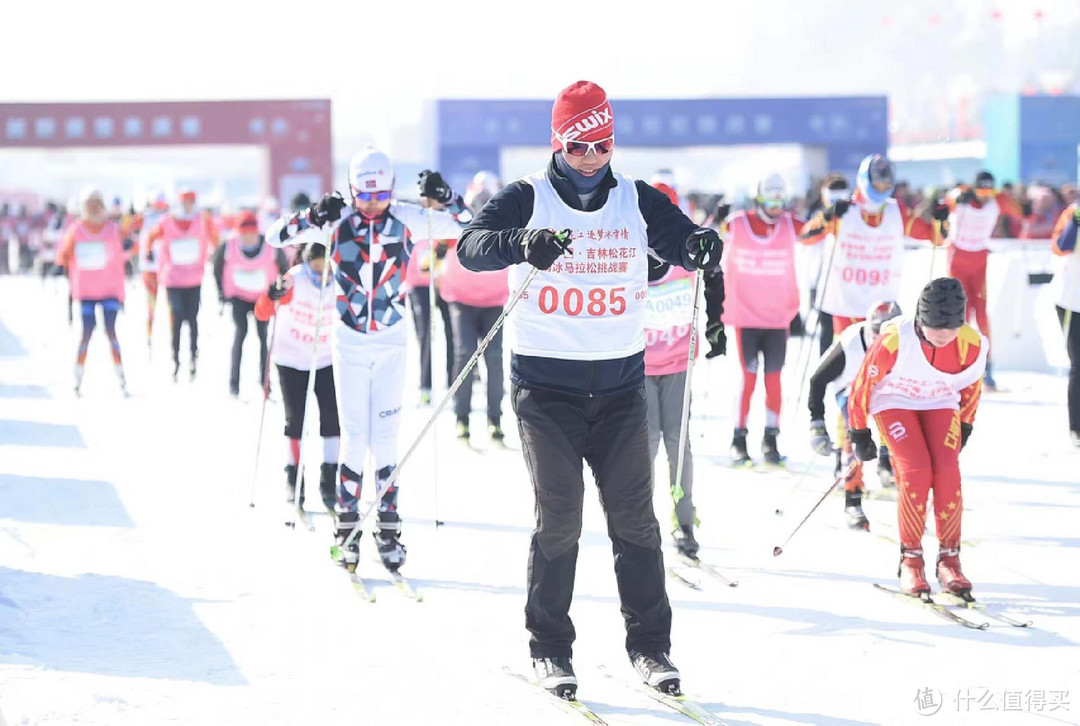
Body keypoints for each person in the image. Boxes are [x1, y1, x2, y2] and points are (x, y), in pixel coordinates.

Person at [458, 80, 723, 698]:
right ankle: (550, 650)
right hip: (546, 392)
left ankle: (651, 648)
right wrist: (520, 244)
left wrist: (697, 247)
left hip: (621, 390)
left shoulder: (635, 198)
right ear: (559, 142)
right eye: (579, 146)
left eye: (602, 144)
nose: (591, 159)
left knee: (635, 521)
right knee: (560, 520)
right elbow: (470, 248)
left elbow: (680, 239)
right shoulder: (528, 197)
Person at [267, 146, 468, 572]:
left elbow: (469, 228)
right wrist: (313, 215)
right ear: (353, 189)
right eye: (365, 196)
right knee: (355, 438)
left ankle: (389, 529)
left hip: (392, 342)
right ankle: (346, 529)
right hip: (350, 343)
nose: (373, 205)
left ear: (391, 190)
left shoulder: (408, 217)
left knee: (386, 440)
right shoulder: (337, 219)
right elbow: (275, 236)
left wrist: (448, 197)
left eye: (380, 196)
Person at [847, 278, 986, 596]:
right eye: (936, 329)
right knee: (916, 470)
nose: (944, 336)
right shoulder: (895, 339)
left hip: (939, 401)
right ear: (921, 321)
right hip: (895, 401)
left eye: (950, 329)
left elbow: (972, 385)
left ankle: (949, 559)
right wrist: (859, 431)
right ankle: (911, 559)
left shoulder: (970, 342)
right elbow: (862, 386)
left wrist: (965, 424)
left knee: (948, 472)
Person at [802, 155, 947, 336]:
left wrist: (941, 219)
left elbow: (936, 237)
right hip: (847, 304)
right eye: (878, 184)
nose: (882, 189)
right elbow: (806, 237)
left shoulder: (897, 212)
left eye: (886, 185)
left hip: (882, 308)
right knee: (850, 359)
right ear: (865, 179)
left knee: (879, 362)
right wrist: (826, 216)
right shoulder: (845, 211)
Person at [719, 174, 803, 467]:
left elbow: (821, 231)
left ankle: (771, 438)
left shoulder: (790, 224)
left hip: (778, 318)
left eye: (780, 201)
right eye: (770, 201)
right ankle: (739, 439)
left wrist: (833, 214)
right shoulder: (738, 223)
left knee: (775, 379)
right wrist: (714, 218)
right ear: (759, 199)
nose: (776, 207)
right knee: (748, 379)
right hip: (746, 317)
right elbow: (705, 236)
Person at [255, 242, 340, 510]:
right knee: (296, 420)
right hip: (291, 358)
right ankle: (294, 478)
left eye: (324, 264)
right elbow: (263, 311)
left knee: (332, 418)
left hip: (326, 358)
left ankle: (329, 479)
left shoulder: (340, 279)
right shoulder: (295, 279)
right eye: (315, 264)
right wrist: (272, 295)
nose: (320, 271)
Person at [808, 301, 902, 529]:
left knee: (901, 434)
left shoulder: (905, 342)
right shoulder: (851, 342)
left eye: (887, 335)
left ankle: (894, 476)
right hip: (851, 390)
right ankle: (852, 498)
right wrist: (817, 423)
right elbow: (817, 380)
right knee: (854, 432)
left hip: (885, 391)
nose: (881, 342)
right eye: (876, 334)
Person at [439, 174, 511, 442]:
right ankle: (462, 417)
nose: (482, 205)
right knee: (465, 355)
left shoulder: (504, 218)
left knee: (493, 358)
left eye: (487, 199)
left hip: (493, 300)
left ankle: (495, 418)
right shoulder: (461, 218)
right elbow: (437, 238)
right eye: (478, 199)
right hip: (461, 297)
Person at [945, 171, 1024, 391]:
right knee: (959, 314)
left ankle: (987, 368)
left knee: (981, 314)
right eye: (981, 191)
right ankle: (954, 364)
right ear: (974, 188)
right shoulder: (962, 196)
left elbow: (1019, 211)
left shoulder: (996, 199)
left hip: (979, 261)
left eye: (989, 190)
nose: (985, 196)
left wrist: (1024, 209)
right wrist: (954, 199)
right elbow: (946, 202)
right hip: (957, 260)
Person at [55, 189, 132, 395]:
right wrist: (60, 265)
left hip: (110, 290)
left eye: (96, 204)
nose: (93, 209)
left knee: (110, 331)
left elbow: (129, 244)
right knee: (86, 333)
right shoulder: (77, 230)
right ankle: (78, 377)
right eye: (89, 205)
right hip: (86, 291)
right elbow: (64, 252)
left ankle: (121, 377)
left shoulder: (113, 229)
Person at [145, 189, 218, 380]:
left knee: (193, 320)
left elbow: (215, 239)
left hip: (194, 278)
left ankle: (193, 358)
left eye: (191, 201)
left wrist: (217, 256)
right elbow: (151, 237)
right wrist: (148, 252)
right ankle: (176, 360)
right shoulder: (167, 221)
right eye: (185, 201)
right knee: (176, 319)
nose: (188, 204)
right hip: (173, 279)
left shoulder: (203, 220)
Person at [213, 210, 288, 397]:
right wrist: (221, 293)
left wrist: (279, 293)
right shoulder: (228, 246)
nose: (247, 238)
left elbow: (285, 268)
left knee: (264, 338)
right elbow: (216, 267)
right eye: (243, 234)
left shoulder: (271, 246)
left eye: (251, 233)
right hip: (238, 297)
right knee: (240, 334)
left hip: (263, 299)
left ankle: (265, 382)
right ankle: (234, 384)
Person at [405, 223, 455, 405]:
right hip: (420, 287)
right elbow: (417, 267)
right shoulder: (417, 228)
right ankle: (426, 387)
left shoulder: (447, 224)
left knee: (452, 333)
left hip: (446, 285)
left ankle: (453, 383)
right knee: (425, 335)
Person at [1050, 202, 1080, 447]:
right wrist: (1075, 222)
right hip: (1072, 301)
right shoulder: (1072, 211)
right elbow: (1060, 247)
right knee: (1079, 365)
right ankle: (1077, 428)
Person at [138, 192, 170, 349]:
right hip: (150, 267)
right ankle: (149, 336)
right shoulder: (145, 217)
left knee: (171, 304)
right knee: (151, 303)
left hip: (167, 267)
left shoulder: (170, 218)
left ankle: (172, 335)